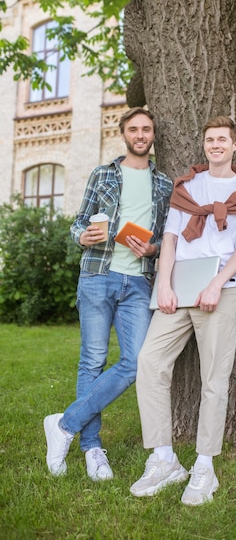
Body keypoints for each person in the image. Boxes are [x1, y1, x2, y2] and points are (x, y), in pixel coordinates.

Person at [130, 115, 236, 505]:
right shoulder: (187, 186)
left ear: (235, 144)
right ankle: (164, 458)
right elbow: (170, 239)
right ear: (203, 144)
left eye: (222, 139)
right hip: (179, 287)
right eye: (210, 139)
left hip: (221, 289)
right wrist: (164, 284)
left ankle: (205, 467)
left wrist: (216, 284)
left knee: (213, 380)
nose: (215, 145)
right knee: (149, 362)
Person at [43, 107, 173, 481]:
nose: (140, 134)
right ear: (124, 134)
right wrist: (82, 236)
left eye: (146, 129)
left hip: (138, 282)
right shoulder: (103, 174)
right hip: (98, 275)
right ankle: (92, 448)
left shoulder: (163, 183)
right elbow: (78, 222)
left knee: (135, 362)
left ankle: (64, 425)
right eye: (134, 129)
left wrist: (154, 249)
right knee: (92, 361)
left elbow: (167, 234)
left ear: (153, 135)